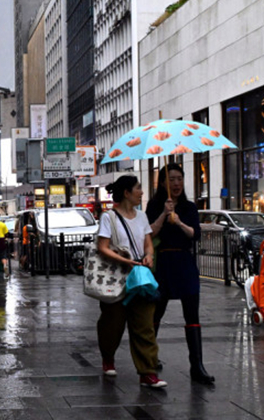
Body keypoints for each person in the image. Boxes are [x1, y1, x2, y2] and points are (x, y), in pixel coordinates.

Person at [146, 163, 214, 385]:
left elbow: (195, 234)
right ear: (163, 182)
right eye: (171, 179)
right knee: (156, 313)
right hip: (162, 263)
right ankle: (149, 359)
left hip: (184, 263)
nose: (176, 183)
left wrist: (178, 221)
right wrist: (164, 216)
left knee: (192, 315)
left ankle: (197, 366)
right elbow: (148, 233)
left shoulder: (189, 206)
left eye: (179, 178)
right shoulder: (155, 204)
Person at [96, 175, 166, 388]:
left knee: (144, 325)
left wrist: (149, 256)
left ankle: (147, 372)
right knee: (113, 324)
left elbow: (148, 243)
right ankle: (108, 356)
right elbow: (103, 247)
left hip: (140, 277)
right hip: (116, 278)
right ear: (126, 193)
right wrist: (125, 261)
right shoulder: (109, 218)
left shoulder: (142, 217)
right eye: (138, 188)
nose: (141, 192)